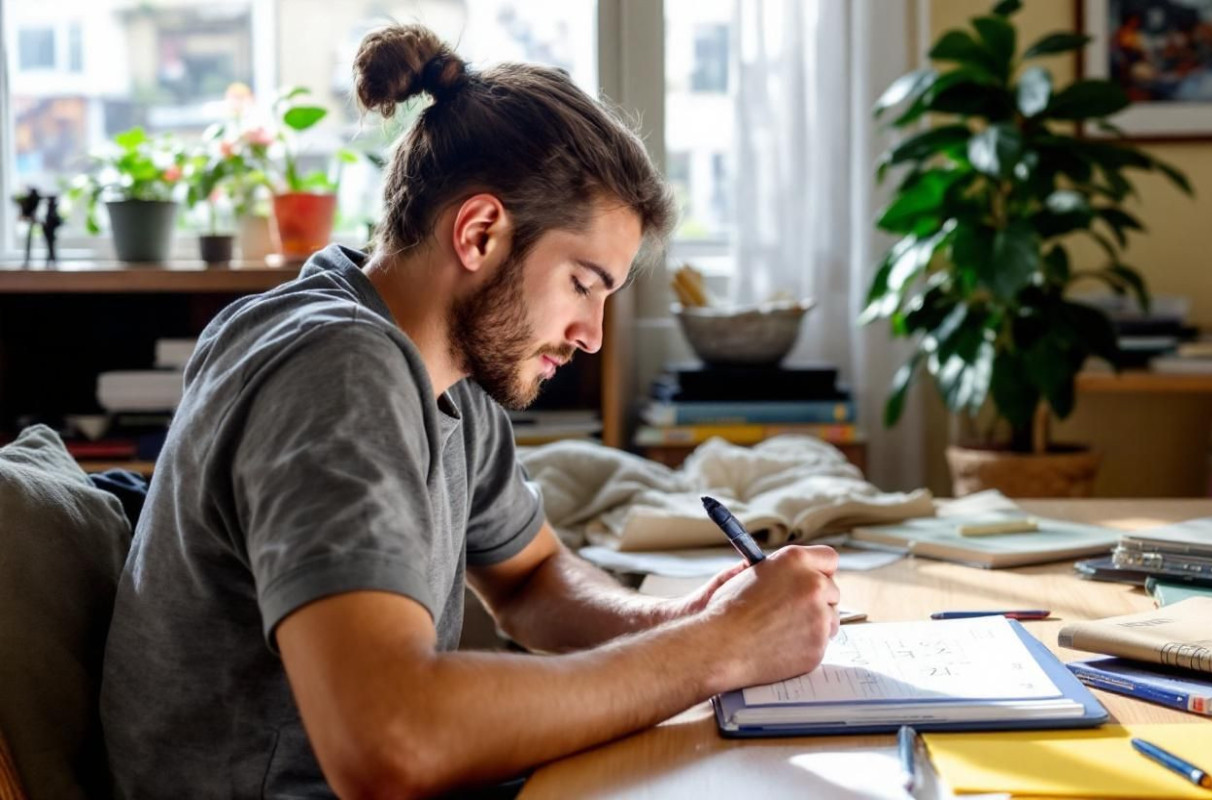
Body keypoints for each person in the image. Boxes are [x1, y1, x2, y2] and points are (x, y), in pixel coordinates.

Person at [99, 23, 841, 799]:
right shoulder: (338, 372)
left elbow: (532, 580)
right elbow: (389, 740)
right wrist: (719, 649)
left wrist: (689, 619)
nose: (591, 335)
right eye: (583, 284)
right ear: (480, 233)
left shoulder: (445, 372)